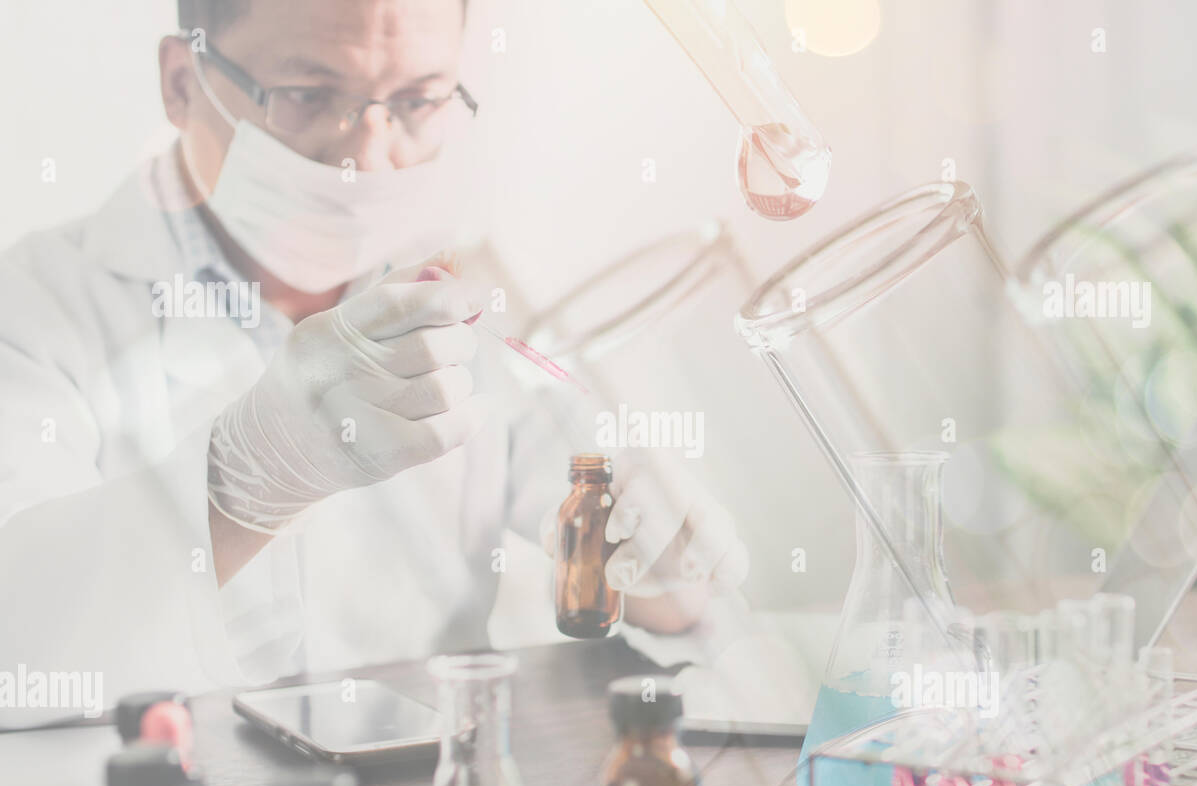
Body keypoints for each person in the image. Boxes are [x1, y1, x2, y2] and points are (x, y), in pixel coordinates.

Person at [0, 0, 747, 727]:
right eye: (308, 94)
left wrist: (659, 571)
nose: (366, 155)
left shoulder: (477, 286)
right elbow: (16, 656)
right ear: (181, 82)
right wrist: (239, 483)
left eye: (419, 100)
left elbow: (642, 569)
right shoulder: (32, 310)